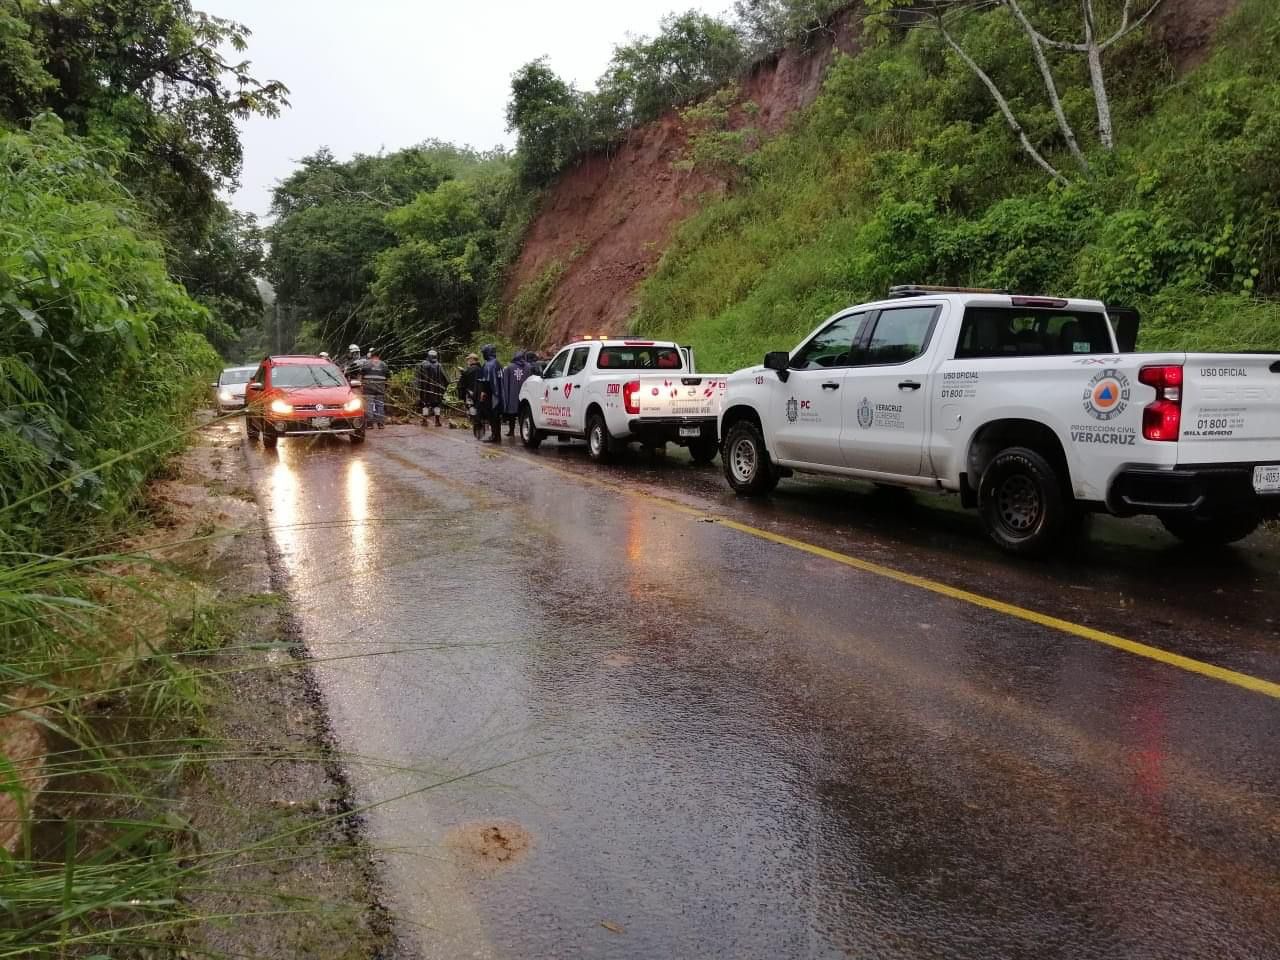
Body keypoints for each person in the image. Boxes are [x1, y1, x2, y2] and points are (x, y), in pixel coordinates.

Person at [499, 350, 530, 437]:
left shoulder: (509, 367)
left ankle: (511, 431)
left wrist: (505, 396)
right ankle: (523, 432)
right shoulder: (528, 367)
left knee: (512, 415)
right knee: (523, 414)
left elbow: (505, 383)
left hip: (512, 395)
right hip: (525, 394)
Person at [476, 344, 503, 443]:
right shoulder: (497, 363)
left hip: (491, 394)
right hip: (498, 393)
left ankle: (494, 436)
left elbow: (487, 381)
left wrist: (483, 392)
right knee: (496, 416)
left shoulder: (489, 364)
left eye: (484, 353)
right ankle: (497, 435)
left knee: (492, 415)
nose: (483, 355)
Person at [415, 349, 449, 427]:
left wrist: (418, 389)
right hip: (437, 391)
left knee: (425, 405)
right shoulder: (439, 365)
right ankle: (437, 421)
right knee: (437, 405)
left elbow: (418, 379)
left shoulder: (422, 364)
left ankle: (424, 421)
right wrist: (443, 389)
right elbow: (446, 379)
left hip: (425, 390)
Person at [362, 350, 390, 429]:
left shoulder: (366, 363)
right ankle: (380, 424)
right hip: (380, 388)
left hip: (368, 388)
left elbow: (361, 375)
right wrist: (386, 387)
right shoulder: (384, 364)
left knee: (369, 405)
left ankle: (369, 424)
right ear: (379, 355)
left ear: (371, 355)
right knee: (380, 405)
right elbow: (388, 377)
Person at [458, 353, 481, 431]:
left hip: (470, 391)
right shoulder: (480, 368)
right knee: (476, 406)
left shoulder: (470, 369)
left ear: (472, 360)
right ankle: (476, 422)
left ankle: (474, 422)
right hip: (479, 392)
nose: (467, 361)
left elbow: (464, 379)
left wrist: (462, 372)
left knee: (471, 406)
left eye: (468, 359)